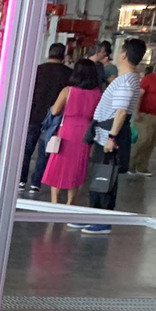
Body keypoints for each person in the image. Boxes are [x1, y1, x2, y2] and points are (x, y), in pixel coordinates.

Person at [79, 37, 144, 234]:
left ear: (124, 54)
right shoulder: (127, 79)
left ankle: (103, 220)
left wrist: (112, 137)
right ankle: (94, 215)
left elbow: (121, 111)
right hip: (104, 134)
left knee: (106, 177)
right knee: (100, 175)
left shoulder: (126, 81)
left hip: (109, 135)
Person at [41, 59, 101, 206]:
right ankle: (70, 202)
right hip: (85, 132)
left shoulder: (68, 91)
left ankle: (55, 203)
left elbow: (55, 110)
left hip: (67, 130)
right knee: (77, 167)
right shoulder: (97, 93)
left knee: (58, 165)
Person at [20, 43, 72, 190]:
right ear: (63, 56)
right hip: (55, 118)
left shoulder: (37, 70)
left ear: (49, 53)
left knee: (27, 149)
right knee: (45, 150)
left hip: (33, 115)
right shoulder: (68, 73)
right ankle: (36, 182)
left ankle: (21, 179)